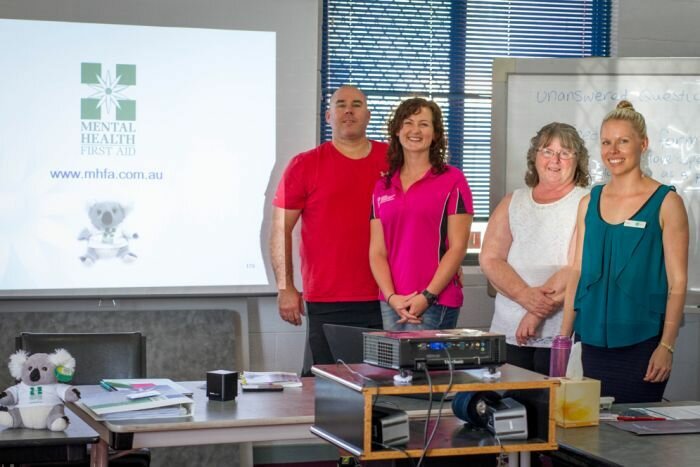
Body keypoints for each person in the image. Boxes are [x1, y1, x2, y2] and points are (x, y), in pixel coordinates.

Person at [560, 100, 689, 403]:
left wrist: (666, 346)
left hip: (643, 345)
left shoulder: (667, 202)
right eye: (606, 142)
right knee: (584, 438)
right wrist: (564, 341)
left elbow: (678, 283)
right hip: (588, 344)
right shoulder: (588, 202)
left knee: (632, 444)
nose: (613, 150)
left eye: (623, 141)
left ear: (643, 144)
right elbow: (577, 270)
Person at [270, 86, 388, 368]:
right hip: (327, 296)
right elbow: (279, 229)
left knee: (383, 388)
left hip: (387, 296)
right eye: (341, 104)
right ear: (328, 116)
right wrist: (286, 287)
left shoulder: (394, 160)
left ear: (368, 115)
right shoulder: (305, 165)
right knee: (326, 388)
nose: (349, 110)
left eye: (357, 104)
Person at [481, 123, 590, 375]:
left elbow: (577, 265)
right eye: (547, 151)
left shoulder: (587, 201)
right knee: (508, 404)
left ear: (578, 160)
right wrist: (523, 295)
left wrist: (536, 313)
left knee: (550, 407)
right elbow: (491, 259)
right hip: (508, 328)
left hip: (559, 331)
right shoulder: (513, 200)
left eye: (565, 152)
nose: (555, 160)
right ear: (535, 156)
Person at [369, 97, 473, 331]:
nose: (415, 130)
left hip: (436, 300)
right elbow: (377, 251)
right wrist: (391, 297)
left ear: (435, 134)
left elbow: (458, 247)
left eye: (424, 124)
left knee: (428, 368)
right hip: (392, 302)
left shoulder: (453, 179)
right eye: (408, 122)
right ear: (397, 130)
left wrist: (428, 296)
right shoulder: (382, 186)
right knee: (394, 368)